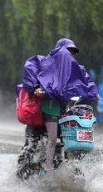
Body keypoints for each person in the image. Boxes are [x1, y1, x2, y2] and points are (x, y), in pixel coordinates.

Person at [19, 38, 98, 177]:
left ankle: (73, 172)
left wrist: (91, 94)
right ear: (59, 52)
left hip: (64, 114)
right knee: (30, 147)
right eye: (69, 51)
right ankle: (23, 172)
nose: (71, 55)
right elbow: (31, 75)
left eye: (74, 52)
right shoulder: (44, 64)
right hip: (42, 114)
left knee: (74, 142)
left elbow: (87, 84)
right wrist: (37, 88)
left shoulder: (77, 70)